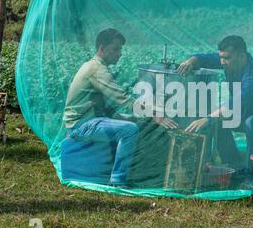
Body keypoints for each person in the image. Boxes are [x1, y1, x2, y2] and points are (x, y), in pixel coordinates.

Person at [63, 28, 177, 187]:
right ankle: (118, 180)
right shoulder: (97, 69)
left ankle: (137, 171)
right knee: (129, 130)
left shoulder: (95, 66)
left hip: (90, 119)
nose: (119, 53)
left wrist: (133, 116)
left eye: (120, 49)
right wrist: (155, 114)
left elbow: (105, 106)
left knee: (132, 122)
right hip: (81, 125)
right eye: (115, 49)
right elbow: (124, 101)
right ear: (102, 48)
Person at [177, 35, 253, 180]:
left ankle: (252, 174)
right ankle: (234, 165)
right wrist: (190, 62)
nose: (222, 62)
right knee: (219, 122)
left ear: (242, 57)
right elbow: (205, 58)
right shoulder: (232, 61)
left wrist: (206, 118)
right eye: (221, 57)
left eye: (226, 58)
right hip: (251, 109)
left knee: (252, 123)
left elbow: (233, 105)